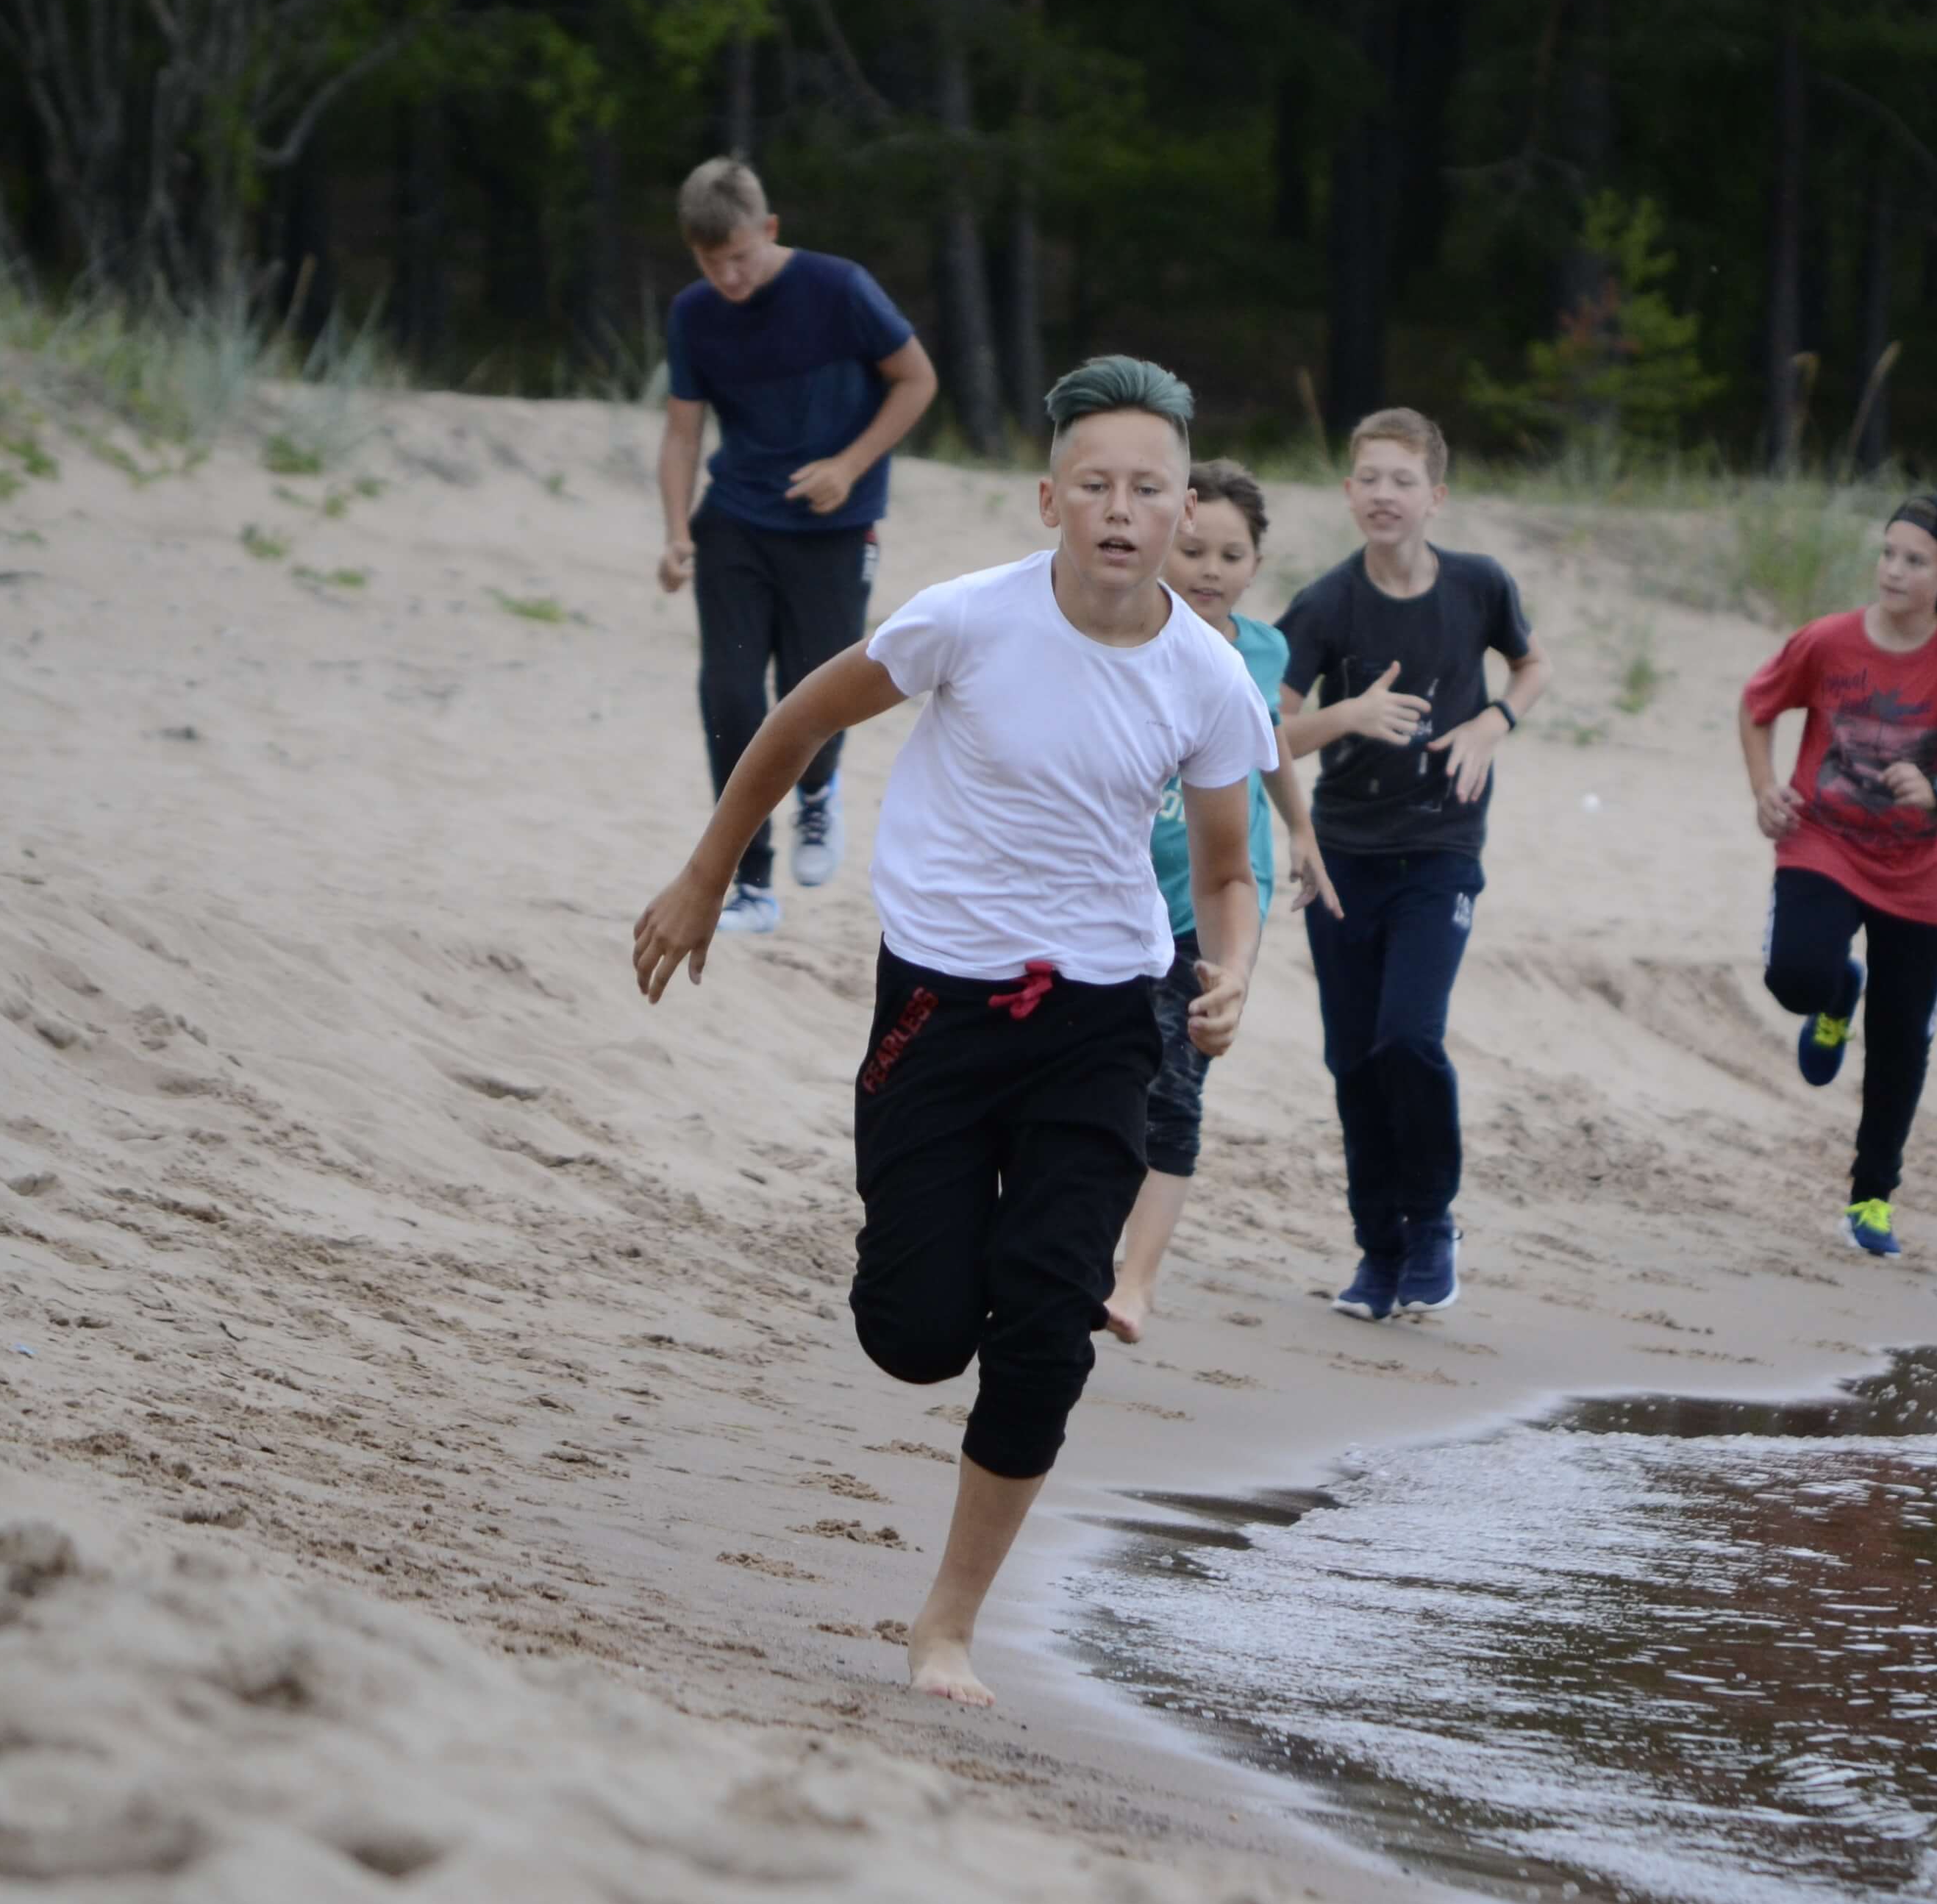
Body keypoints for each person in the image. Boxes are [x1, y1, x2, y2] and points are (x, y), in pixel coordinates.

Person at [630, 355, 1276, 1709]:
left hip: (1103, 1015)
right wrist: (709, 871)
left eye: (1146, 486)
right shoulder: (963, 622)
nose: (1120, 507)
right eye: (1093, 481)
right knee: (915, 1334)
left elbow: (1226, 865)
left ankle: (945, 1628)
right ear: (1050, 497)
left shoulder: (1209, 676)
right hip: (934, 1008)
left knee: (1046, 1329)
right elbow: (801, 715)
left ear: (1178, 510)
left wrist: (1231, 967)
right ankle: (977, 1263)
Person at [1274, 409, 1550, 1322]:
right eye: (1368, 479)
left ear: (1435, 496)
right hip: (1342, 857)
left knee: (1409, 1039)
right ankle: (1378, 1253)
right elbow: (1263, 734)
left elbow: (1530, 667)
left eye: (1402, 480)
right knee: (1353, 1061)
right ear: (1349, 493)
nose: (1384, 495)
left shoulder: (1479, 585)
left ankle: (1431, 1223)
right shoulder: (1325, 605)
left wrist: (1494, 722)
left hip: (1441, 848)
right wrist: (1345, 717)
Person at [654, 156, 940, 938]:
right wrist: (678, 533)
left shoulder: (839, 288)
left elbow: (916, 380)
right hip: (737, 520)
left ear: (770, 230)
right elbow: (682, 434)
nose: (731, 276)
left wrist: (850, 465)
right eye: (713, 263)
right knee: (730, 694)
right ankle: (749, 882)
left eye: (742, 257)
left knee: (814, 691)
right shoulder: (693, 314)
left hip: (835, 528)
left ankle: (819, 794)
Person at [1737, 493, 1937, 1258]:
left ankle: (1871, 1198)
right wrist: (1765, 786)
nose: (1894, 570)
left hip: (1923, 870)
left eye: (1915, 559)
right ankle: (1834, 997)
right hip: (1822, 841)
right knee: (1795, 975)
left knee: (1900, 1040)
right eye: (1889, 553)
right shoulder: (1827, 642)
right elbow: (1758, 705)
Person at [1105, 461, 1338, 1345]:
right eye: (1194, 548)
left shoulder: (1266, 651)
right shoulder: (1119, 633)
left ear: (1255, 561)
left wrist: (1303, 831)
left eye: (1229, 554)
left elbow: (1269, 747)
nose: (1208, 568)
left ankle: (1136, 1281)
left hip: (1214, 906)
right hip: (1111, 901)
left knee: (1176, 1089)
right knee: (1100, 1080)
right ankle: (1086, 1244)